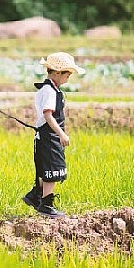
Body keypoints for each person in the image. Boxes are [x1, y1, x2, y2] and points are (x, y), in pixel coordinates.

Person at [22, 52, 85, 218]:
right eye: (68, 74)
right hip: (49, 136)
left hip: (48, 135)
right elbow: (48, 114)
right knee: (53, 170)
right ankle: (46, 204)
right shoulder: (49, 91)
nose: (69, 77)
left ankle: (35, 196)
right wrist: (61, 134)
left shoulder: (51, 88)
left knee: (48, 168)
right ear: (57, 73)